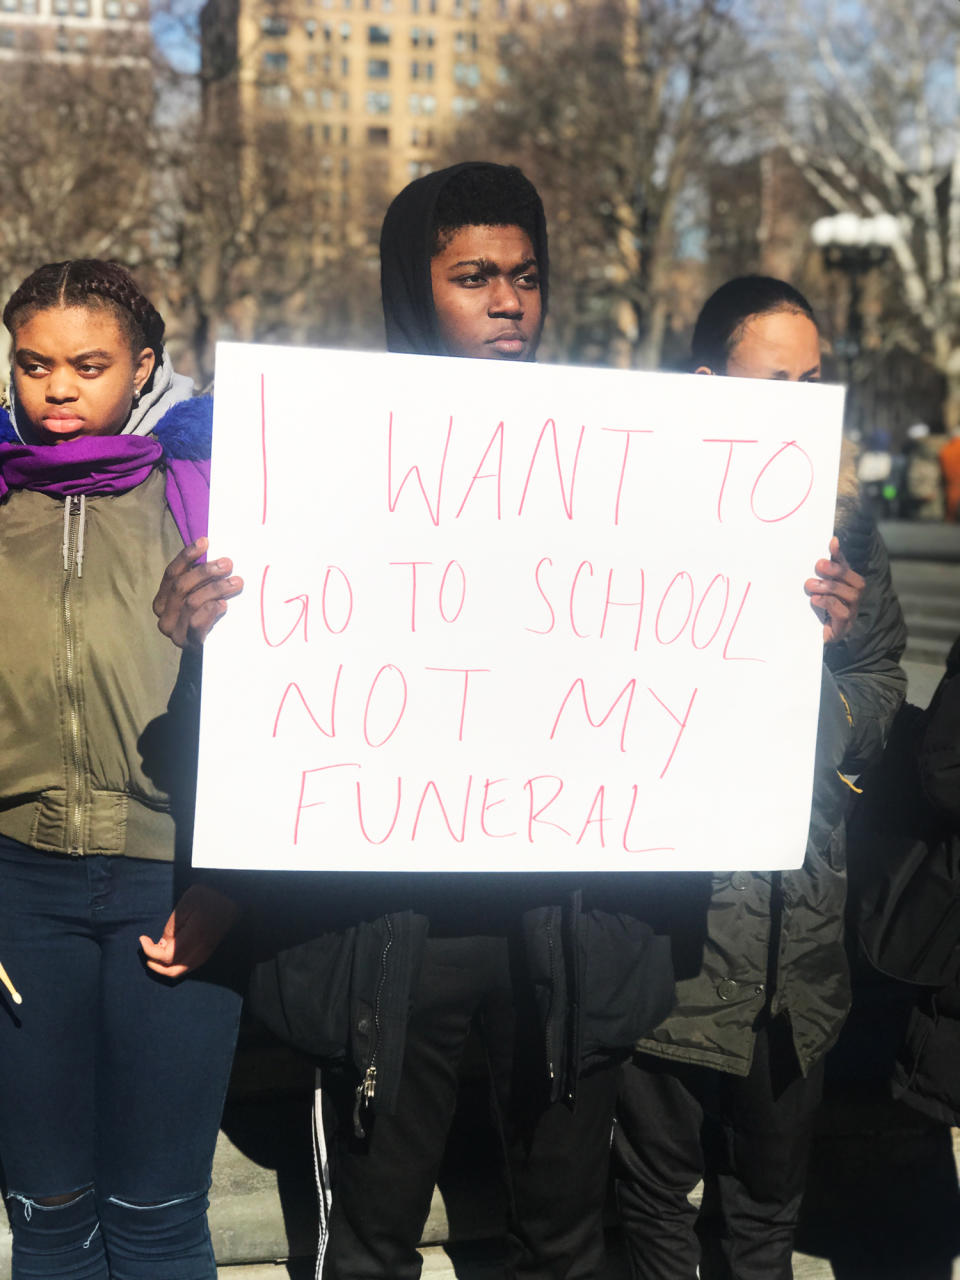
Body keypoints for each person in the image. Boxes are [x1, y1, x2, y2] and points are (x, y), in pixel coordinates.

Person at [152, 161, 676, 1280]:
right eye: (474, 275)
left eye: (526, 275)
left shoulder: (624, 453)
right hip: (387, 935)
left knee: (567, 1242)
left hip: (567, 928)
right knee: (374, 1244)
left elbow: (692, 647)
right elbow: (269, 710)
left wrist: (797, 623)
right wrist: (206, 638)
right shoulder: (321, 453)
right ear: (411, 283)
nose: (508, 300)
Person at [614, 276, 908, 1280]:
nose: (802, 405)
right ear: (707, 387)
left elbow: (879, 674)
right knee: (656, 1204)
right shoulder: (637, 516)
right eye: (774, 381)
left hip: (802, 946)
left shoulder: (848, 525)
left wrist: (823, 697)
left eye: (815, 381)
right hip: (675, 935)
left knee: (766, 1216)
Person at [0, 259, 243, 1279]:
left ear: (144, 365)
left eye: (88, 365)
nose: (57, 388)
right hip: (19, 891)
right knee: (47, 1214)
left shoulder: (206, 494)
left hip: (174, 890)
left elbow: (291, 710)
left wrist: (230, 885)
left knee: (155, 1213)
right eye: (32, 364)